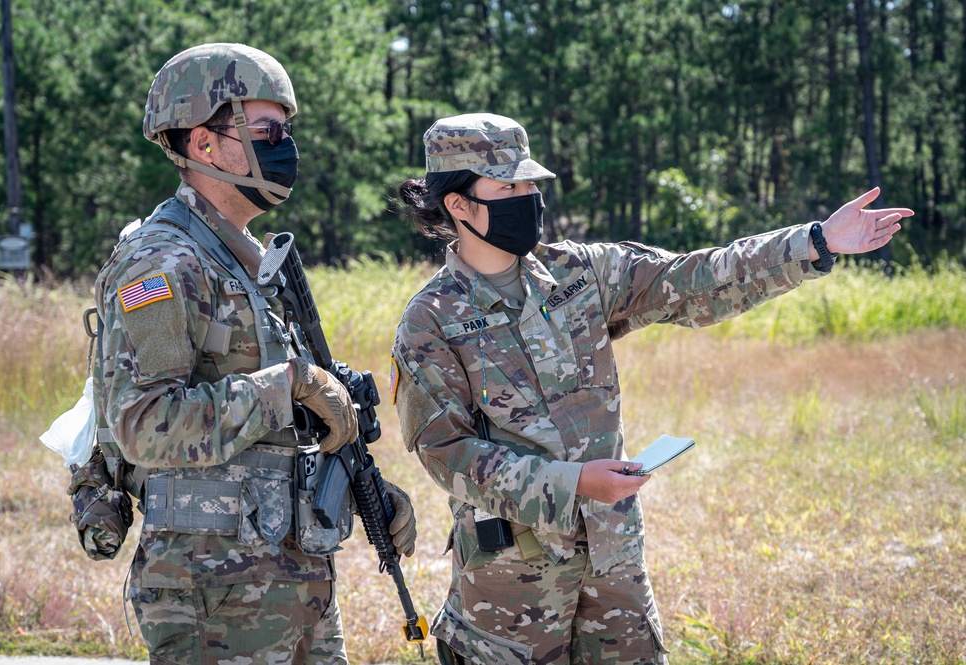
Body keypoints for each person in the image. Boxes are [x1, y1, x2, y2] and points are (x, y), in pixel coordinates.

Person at [389, 112, 911, 665]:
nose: (527, 197)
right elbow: (449, 455)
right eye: (507, 186)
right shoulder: (430, 321)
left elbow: (693, 279)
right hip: (511, 593)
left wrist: (813, 242)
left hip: (615, 568)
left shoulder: (579, 274)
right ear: (458, 204)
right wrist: (573, 483)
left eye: (529, 183)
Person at [91, 43, 416, 664]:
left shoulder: (246, 265)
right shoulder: (164, 263)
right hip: (215, 597)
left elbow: (267, 444)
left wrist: (359, 485)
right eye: (267, 130)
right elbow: (144, 425)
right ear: (203, 144)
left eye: (286, 130)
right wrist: (287, 384)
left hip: (291, 583)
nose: (285, 144)